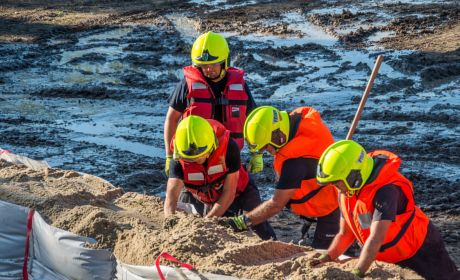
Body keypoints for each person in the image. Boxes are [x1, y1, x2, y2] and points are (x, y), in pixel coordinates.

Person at [313, 140, 460, 279]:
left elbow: (376, 238)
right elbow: (345, 234)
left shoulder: (386, 191)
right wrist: (328, 257)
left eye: (337, 183)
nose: (336, 188)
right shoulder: (347, 194)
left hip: (420, 250)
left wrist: (357, 273)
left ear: (354, 175)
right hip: (386, 255)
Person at [225, 106, 340, 249]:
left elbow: (276, 204)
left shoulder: (295, 162)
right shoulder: (296, 122)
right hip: (320, 195)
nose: (269, 152)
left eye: (267, 148)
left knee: (324, 255)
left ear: (278, 136)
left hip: (331, 207)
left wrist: (242, 221)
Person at [164, 31, 262, 176]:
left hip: (228, 153)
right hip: (195, 153)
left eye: (213, 64)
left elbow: (253, 119)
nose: (209, 69)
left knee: (237, 191)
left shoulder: (239, 85)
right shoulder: (187, 85)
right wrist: (169, 156)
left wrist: (256, 153)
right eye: (204, 65)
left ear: (225, 61)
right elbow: (171, 119)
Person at [163, 115, 276, 240]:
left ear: (213, 144)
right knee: (213, 232)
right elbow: (171, 195)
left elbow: (229, 192)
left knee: (257, 224)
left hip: (240, 191)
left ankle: (275, 248)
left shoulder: (229, 147)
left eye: (201, 156)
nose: (196, 160)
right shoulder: (178, 158)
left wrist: (207, 222)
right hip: (204, 195)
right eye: (190, 159)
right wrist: (170, 218)